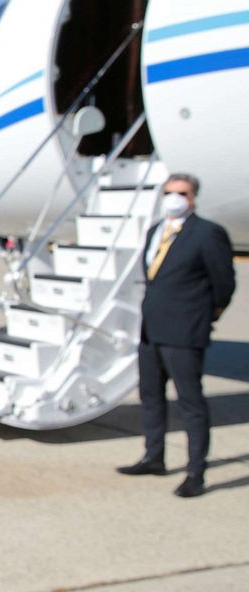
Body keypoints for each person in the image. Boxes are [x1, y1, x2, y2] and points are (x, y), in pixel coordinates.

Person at [117, 173, 236, 497]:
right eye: (169, 192)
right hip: (151, 331)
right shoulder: (157, 230)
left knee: (191, 403)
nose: (174, 198)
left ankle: (196, 472)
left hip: (185, 333)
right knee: (151, 396)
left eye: (181, 193)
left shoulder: (208, 233)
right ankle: (154, 456)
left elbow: (224, 284)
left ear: (194, 197)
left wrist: (204, 318)